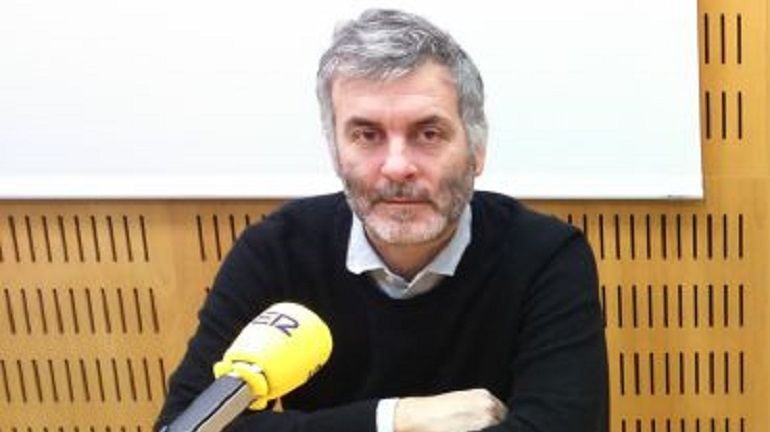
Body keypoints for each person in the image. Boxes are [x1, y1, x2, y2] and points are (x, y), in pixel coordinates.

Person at [156, 8, 608, 432]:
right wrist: (393, 419)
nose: (396, 167)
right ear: (335, 151)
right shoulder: (277, 251)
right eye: (366, 135)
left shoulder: (545, 255)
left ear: (476, 149)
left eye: (428, 133)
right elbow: (187, 423)